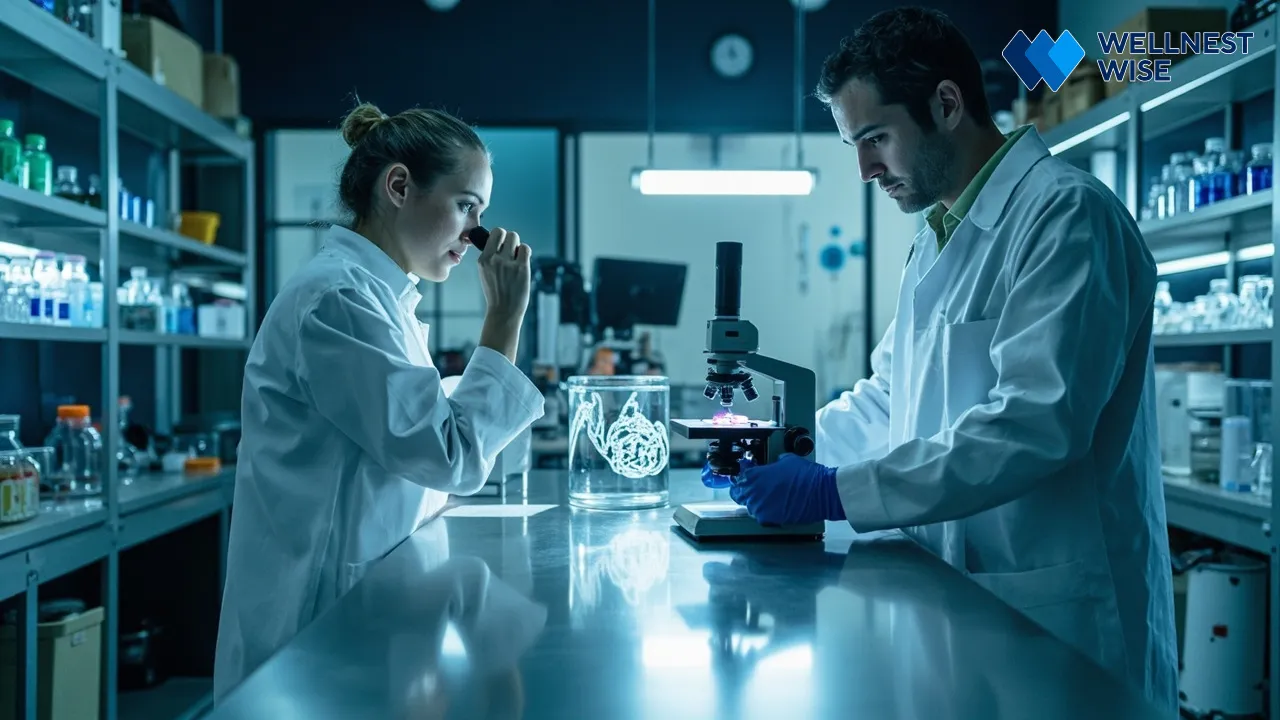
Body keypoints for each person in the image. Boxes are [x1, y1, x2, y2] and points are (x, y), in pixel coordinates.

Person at [723, 7, 1178, 713]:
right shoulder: (939, 235)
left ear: (945, 104)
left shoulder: (1066, 217)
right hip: (960, 599)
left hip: (1057, 612)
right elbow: (890, 395)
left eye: (875, 138)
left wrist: (832, 492)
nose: (866, 169)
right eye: (855, 144)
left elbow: (1037, 422)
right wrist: (779, 446)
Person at [213, 102, 545, 702]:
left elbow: (417, 434)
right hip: (316, 626)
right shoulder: (339, 301)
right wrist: (504, 318)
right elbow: (450, 456)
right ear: (399, 186)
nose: (478, 235)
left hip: (372, 616)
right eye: (467, 205)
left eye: (482, 213)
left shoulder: (383, 302)